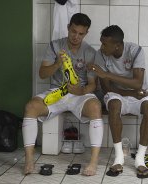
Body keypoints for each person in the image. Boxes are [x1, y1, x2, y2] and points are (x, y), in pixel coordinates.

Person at [22, 13, 104, 176]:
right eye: (73, 31)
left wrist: (80, 91)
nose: (76, 36)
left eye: (81, 34)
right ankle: (29, 160)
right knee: (31, 107)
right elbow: (43, 74)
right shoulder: (54, 46)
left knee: (95, 106)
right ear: (68, 28)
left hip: (79, 94)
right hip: (57, 91)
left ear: (86, 33)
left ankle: (93, 162)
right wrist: (57, 63)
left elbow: (92, 84)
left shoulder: (90, 52)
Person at [89, 25, 148, 179]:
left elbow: (138, 83)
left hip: (138, 92)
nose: (101, 47)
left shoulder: (136, 51)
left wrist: (107, 74)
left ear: (117, 45)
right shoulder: (101, 55)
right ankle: (118, 157)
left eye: (105, 44)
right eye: (101, 43)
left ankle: (140, 158)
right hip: (117, 94)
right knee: (114, 105)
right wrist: (129, 93)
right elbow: (106, 88)